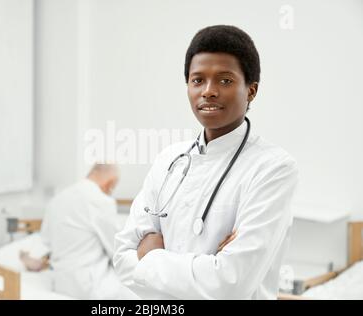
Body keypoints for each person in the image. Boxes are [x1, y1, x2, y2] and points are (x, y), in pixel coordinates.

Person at [113, 25, 299, 299]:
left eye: (224, 80)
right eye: (197, 80)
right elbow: (122, 259)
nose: (208, 91)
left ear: (251, 90)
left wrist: (150, 257)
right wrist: (207, 265)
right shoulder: (169, 161)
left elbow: (230, 285)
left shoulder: (273, 168)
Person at [39, 164, 138, 299]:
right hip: (89, 286)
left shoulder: (56, 200)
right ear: (111, 183)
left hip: (60, 283)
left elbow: (46, 241)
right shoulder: (101, 201)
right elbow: (116, 249)